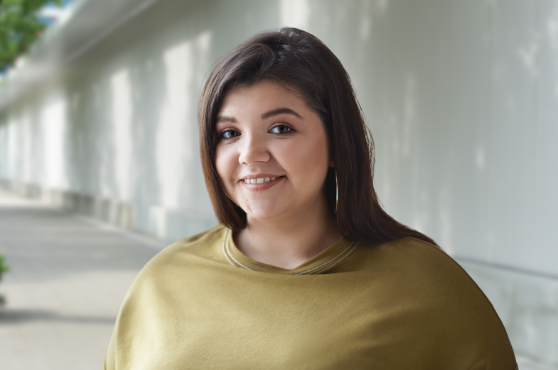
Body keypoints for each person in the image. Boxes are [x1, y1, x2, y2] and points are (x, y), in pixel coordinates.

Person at [103, 28, 517, 369]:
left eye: (280, 128)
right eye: (229, 133)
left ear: (337, 143)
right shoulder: (161, 280)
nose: (250, 154)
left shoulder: (427, 286)